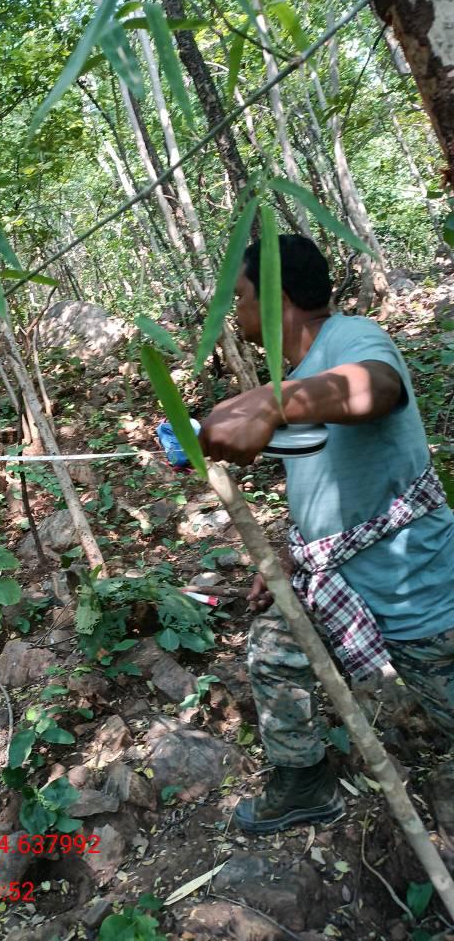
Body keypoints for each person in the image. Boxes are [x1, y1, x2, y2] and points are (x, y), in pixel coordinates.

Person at [199, 234, 454, 835]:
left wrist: (271, 403)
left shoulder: (351, 337)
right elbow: (332, 483)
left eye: (241, 296)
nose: (236, 311)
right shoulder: (299, 372)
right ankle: (304, 783)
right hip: (339, 583)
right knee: (273, 646)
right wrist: (292, 557)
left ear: (275, 298)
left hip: (416, 595)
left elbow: (378, 387)